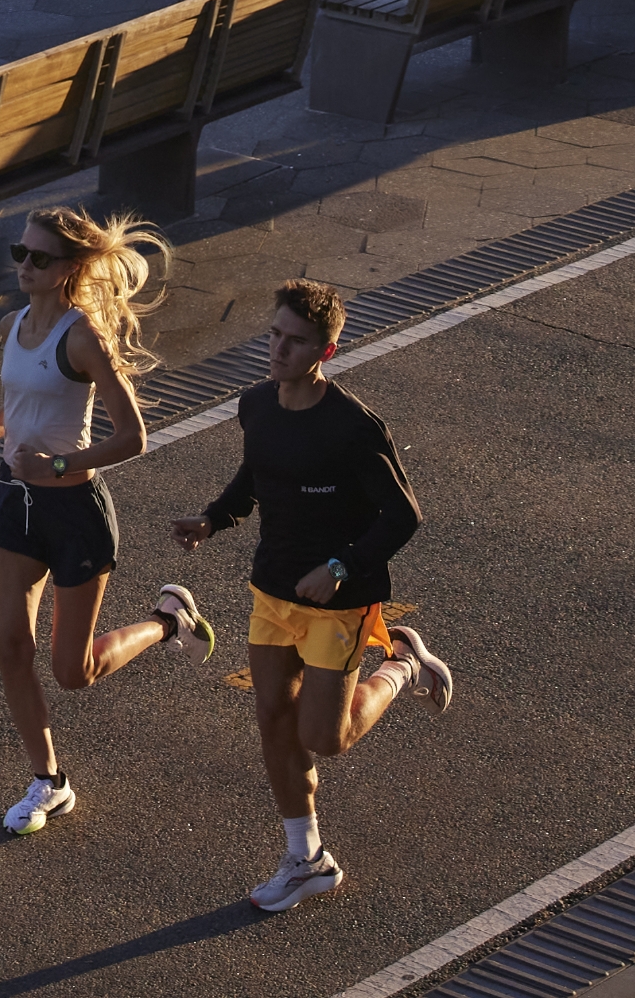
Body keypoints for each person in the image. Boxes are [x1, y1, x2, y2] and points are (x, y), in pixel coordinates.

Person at [171, 279, 456, 911]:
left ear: (325, 350)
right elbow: (257, 473)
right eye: (274, 334)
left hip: (338, 601)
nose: (278, 349)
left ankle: (403, 664)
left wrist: (339, 566)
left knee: (326, 737)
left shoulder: (354, 428)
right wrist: (215, 519)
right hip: (272, 588)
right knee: (273, 717)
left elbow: (403, 516)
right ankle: (305, 859)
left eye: (295, 341)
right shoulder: (257, 406)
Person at [0, 206, 216, 836]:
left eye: (39, 258)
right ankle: (49, 782)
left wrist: (61, 462)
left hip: (75, 514)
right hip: (16, 503)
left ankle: (168, 620)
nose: (25, 267)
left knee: (73, 673)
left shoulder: (82, 338)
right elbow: (16, 413)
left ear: (70, 269)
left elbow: (132, 437)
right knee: (11, 647)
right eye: (20, 253)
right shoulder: (13, 325)